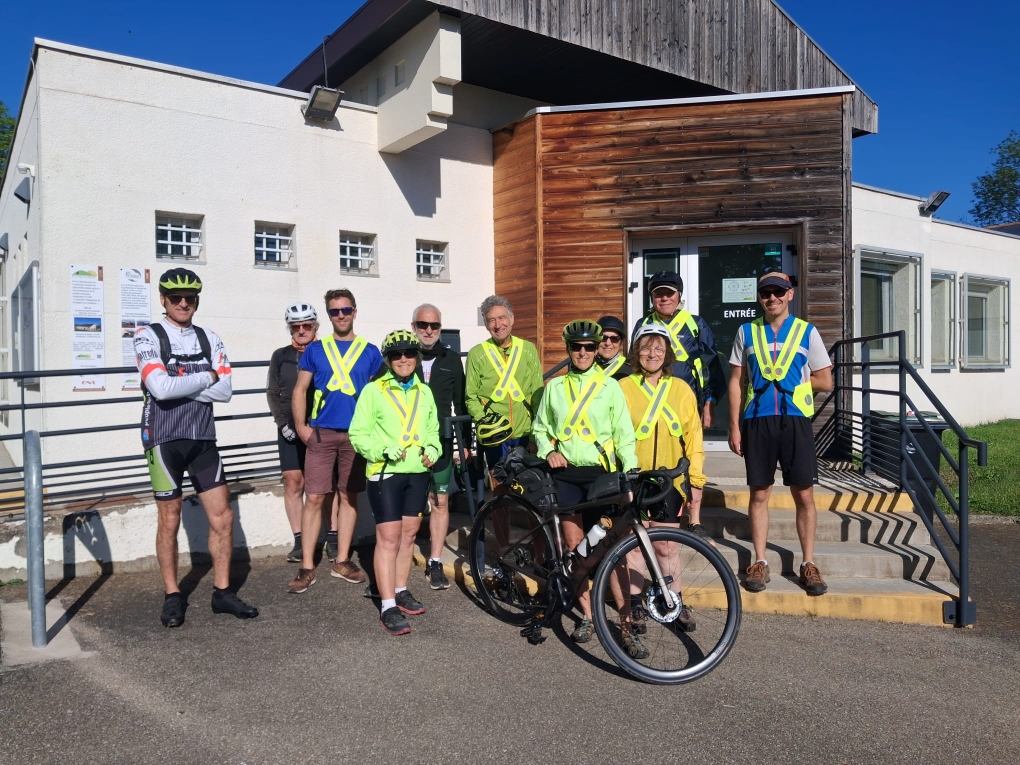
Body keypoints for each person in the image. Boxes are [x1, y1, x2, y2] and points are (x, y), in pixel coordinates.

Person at [135, 268, 258, 627]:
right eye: (176, 298)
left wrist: (180, 381)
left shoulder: (209, 337)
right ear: (163, 300)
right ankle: (173, 595)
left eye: (190, 297)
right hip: (162, 439)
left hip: (203, 439)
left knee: (223, 517)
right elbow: (158, 388)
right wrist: (206, 376)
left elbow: (226, 392)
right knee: (169, 519)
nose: (183, 303)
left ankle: (222, 592)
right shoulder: (147, 335)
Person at [727, 272, 833, 596]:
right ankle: (759, 562)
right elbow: (736, 381)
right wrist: (734, 426)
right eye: (765, 293)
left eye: (778, 292)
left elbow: (825, 381)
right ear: (760, 298)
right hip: (757, 420)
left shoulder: (806, 332)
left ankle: (808, 564)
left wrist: (800, 385)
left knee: (804, 494)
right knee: (759, 494)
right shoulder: (746, 332)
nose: (771, 298)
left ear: (790, 295)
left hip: (795, 420)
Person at [532, 320, 637, 644]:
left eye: (588, 347)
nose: (582, 352)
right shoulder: (554, 388)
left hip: (600, 477)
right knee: (577, 553)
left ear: (595, 350)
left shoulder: (609, 387)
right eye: (576, 347)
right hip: (566, 476)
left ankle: (626, 625)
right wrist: (548, 450)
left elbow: (624, 435)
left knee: (611, 551)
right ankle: (589, 618)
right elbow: (539, 428)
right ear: (568, 349)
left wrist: (630, 474)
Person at [287, 289, 383, 594]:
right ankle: (307, 565)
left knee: (348, 496)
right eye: (334, 311)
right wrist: (302, 427)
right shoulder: (315, 350)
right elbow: (300, 389)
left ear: (355, 311)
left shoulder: (370, 352)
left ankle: (342, 560)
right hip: (322, 433)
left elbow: (379, 395)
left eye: (345, 310)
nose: (340, 315)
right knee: (314, 497)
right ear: (328, 315)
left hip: (356, 437)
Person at [617, 323, 705, 655]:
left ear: (667, 353)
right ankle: (637, 603)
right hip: (635, 478)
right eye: (645, 347)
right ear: (636, 352)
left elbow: (694, 437)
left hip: (670, 478)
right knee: (635, 548)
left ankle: (674, 601)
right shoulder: (624, 387)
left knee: (667, 546)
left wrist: (695, 480)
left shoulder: (681, 389)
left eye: (658, 348)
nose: (652, 354)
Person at [349, 330, 441, 635]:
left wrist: (433, 449)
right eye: (397, 355)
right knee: (388, 538)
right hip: (385, 472)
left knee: (409, 535)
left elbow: (432, 431)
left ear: (416, 357)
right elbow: (358, 433)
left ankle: (401, 589)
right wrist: (379, 449)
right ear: (388, 360)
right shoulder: (374, 391)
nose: (404, 359)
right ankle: (387, 604)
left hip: (416, 472)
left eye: (409, 354)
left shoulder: (424, 392)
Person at [632, 270, 722, 536]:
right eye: (658, 293)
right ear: (652, 297)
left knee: (692, 459)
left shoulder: (695, 323)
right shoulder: (642, 323)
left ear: (678, 295)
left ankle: (694, 518)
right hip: (649, 403)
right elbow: (634, 362)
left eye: (669, 293)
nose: (664, 298)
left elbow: (710, 365)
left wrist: (709, 402)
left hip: (685, 402)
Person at [267, 303, 344, 563]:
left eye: (306, 325)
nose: (301, 330)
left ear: (315, 327)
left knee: (327, 485)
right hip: (289, 426)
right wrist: (283, 424)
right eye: (295, 326)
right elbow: (272, 392)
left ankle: (332, 536)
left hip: (321, 427)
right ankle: (300, 540)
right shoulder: (281, 355)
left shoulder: (325, 351)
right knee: (293, 482)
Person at [411, 303, 468, 590]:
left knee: (440, 501)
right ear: (414, 327)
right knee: (407, 506)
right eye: (423, 325)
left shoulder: (452, 358)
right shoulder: (404, 356)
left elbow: (461, 403)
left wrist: (465, 446)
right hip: (410, 445)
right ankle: (398, 556)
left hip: (443, 443)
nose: (429, 330)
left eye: (434, 326)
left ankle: (434, 561)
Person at [465, 295, 544, 480]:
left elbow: (537, 394)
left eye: (502, 318)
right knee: (499, 486)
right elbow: (471, 396)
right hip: (494, 436)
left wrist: (535, 435)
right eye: (491, 320)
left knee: (528, 485)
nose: (497, 324)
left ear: (511, 319)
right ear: (486, 324)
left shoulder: (528, 349)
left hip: (525, 432)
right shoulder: (477, 353)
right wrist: (486, 423)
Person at [594, 315, 632, 380]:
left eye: (614, 339)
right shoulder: (586, 366)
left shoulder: (630, 371)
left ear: (621, 343)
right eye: (603, 338)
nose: (608, 343)